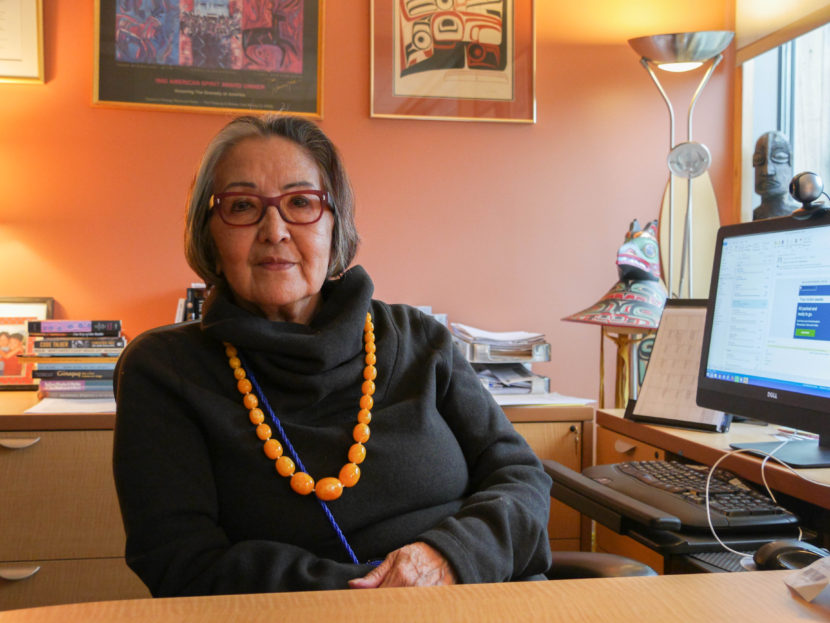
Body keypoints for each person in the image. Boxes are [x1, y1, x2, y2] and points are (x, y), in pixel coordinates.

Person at [113, 114, 553, 597]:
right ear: (210, 236)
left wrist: (451, 557)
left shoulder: (419, 338)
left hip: (480, 599)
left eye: (301, 202)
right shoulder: (164, 369)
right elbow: (180, 560)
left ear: (333, 225)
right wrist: (379, 593)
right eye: (242, 206)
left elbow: (520, 476)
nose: (274, 230)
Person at [752, 130, 799, 220]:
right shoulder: (747, 218)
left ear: (791, 161)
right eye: (759, 159)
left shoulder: (802, 218)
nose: (767, 171)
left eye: (779, 157)